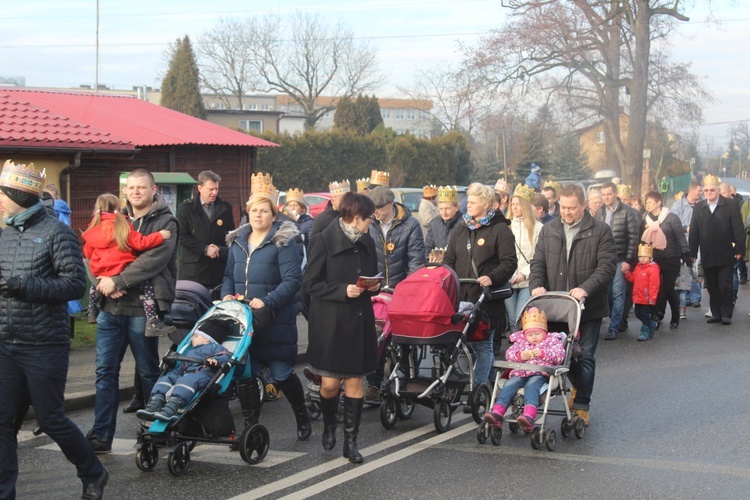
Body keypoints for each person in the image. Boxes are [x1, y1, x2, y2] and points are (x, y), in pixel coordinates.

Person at [0, 161, 108, 499]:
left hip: (44, 344)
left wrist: (22, 286)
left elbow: (74, 285)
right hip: (7, 343)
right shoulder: (4, 234)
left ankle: (92, 472)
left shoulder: (56, 232)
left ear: (15, 194)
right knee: (2, 423)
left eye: (1, 194)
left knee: (50, 419)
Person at [88, 168, 179, 454]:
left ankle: (155, 429)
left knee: (148, 371)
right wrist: (103, 283)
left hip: (143, 310)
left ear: (154, 190)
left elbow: (152, 260)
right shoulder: (112, 219)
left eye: (142, 187)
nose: (136, 192)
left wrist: (118, 279)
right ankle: (102, 434)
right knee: (104, 373)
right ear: (126, 191)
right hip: (110, 309)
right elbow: (90, 253)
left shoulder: (167, 222)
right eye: (132, 187)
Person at [221, 173, 311, 440]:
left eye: (264, 211)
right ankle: (251, 428)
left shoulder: (283, 241)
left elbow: (294, 280)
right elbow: (228, 275)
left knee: (281, 373)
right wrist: (227, 294)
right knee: (245, 374)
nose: (258, 215)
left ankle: (301, 413)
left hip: (273, 319)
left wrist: (268, 300)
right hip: (243, 320)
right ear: (247, 212)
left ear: (274, 215)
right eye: (254, 210)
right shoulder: (237, 241)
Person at [529, 184, 616, 426]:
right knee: (558, 355)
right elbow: (538, 262)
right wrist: (536, 285)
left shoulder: (600, 231)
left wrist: (585, 288)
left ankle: (581, 404)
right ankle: (540, 397)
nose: (567, 212)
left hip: (587, 306)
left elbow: (607, 267)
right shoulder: (549, 230)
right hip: (556, 306)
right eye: (563, 207)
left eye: (572, 208)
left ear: (584, 205)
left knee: (584, 355)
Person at [303, 192, 380, 464]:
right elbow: (309, 284)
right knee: (329, 385)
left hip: (359, 320)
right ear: (357, 218)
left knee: (355, 381)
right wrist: (341, 290)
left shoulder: (368, 240)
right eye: (370, 217)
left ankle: (351, 442)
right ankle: (328, 425)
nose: (373, 221)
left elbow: (373, 272)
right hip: (330, 322)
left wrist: (374, 286)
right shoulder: (322, 240)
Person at [443, 183, 517, 386]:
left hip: (487, 299)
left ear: (486, 204)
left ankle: (478, 389)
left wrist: (492, 277)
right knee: (465, 345)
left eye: (473, 201)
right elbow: (449, 258)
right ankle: (490, 383)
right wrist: (447, 277)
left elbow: (510, 262)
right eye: (468, 200)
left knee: (483, 346)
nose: (468, 205)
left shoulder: (500, 229)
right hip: (462, 297)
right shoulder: (461, 228)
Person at [83, 193, 175, 337]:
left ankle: (91, 310)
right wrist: (160, 236)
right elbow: (140, 243)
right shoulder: (122, 225)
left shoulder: (93, 228)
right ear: (119, 208)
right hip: (120, 267)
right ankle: (152, 320)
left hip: (101, 270)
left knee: (95, 286)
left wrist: (103, 269)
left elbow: (87, 252)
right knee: (148, 287)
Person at [364, 185, 425, 400]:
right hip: (377, 291)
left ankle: (410, 379)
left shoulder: (411, 225)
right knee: (376, 334)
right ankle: (373, 382)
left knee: (405, 339)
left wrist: (407, 291)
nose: (375, 212)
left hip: (402, 291)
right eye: (373, 208)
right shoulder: (370, 224)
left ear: (391, 204)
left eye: (379, 207)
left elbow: (417, 262)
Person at [483, 307, 565, 432]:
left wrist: (543, 353)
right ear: (525, 334)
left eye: (538, 334)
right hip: (520, 372)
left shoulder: (552, 341)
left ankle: (529, 415)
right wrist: (519, 356)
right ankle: (497, 412)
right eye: (530, 335)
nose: (534, 337)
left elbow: (559, 355)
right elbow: (509, 354)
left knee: (531, 385)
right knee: (510, 383)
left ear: (545, 332)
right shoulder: (521, 342)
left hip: (540, 373)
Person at [137, 319, 232, 422]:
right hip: (185, 373)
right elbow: (182, 365)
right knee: (167, 378)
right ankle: (156, 402)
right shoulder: (191, 349)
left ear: (207, 339)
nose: (192, 339)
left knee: (187, 381)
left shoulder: (215, 348)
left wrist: (215, 360)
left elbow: (226, 356)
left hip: (202, 373)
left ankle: (172, 407)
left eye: (196, 336)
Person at [689, 175, 745, 325]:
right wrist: (692, 252)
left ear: (718, 190)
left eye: (712, 190)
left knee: (725, 286)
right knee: (712, 287)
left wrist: (740, 248)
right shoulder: (699, 207)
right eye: (706, 190)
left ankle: (726, 313)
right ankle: (716, 313)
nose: (709, 192)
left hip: (726, 253)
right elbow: (694, 231)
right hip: (708, 253)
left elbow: (738, 228)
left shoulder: (730, 205)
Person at [640, 191, 690, 330]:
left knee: (668, 288)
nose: (647, 205)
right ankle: (657, 315)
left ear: (658, 202)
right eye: (646, 202)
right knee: (656, 288)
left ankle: (675, 315)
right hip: (654, 258)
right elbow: (642, 240)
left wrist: (685, 253)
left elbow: (680, 236)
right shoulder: (645, 219)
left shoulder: (671, 218)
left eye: (650, 202)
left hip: (671, 257)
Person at [177, 170, 235, 290]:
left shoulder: (225, 208)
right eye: (211, 189)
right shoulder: (186, 209)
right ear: (200, 188)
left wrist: (221, 250)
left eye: (216, 189)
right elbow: (182, 237)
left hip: (217, 269)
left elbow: (231, 236)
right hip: (194, 271)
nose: (214, 193)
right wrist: (205, 249)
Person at [596, 182, 639, 340]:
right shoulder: (600, 212)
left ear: (615, 194)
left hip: (621, 259)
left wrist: (629, 260)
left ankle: (614, 327)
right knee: (606, 295)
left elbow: (633, 237)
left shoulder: (628, 212)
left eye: (609, 194)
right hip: (604, 260)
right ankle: (616, 319)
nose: (606, 197)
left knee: (617, 293)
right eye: (604, 194)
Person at [505, 185, 543, 332]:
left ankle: (522, 346)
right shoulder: (505, 226)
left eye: (518, 204)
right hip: (509, 278)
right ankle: (518, 348)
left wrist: (524, 273)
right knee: (512, 317)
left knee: (522, 315)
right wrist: (510, 273)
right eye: (512, 204)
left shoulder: (538, 227)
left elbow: (538, 254)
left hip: (528, 279)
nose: (514, 207)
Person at [671, 181, 703, 307]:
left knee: (695, 267)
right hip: (684, 240)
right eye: (699, 190)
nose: (701, 193)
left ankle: (695, 296)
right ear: (692, 190)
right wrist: (685, 228)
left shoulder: (702, 204)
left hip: (699, 240)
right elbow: (673, 221)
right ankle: (688, 295)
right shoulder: (679, 205)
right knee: (686, 268)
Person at [623, 244, 661, 341]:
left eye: (645, 257)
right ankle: (651, 324)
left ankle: (645, 331)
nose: (642, 259)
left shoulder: (653, 269)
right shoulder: (638, 267)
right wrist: (627, 274)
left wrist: (652, 298)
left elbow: (654, 285)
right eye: (640, 257)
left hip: (646, 298)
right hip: (638, 297)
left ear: (650, 257)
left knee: (644, 314)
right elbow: (634, 279)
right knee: (638, 314)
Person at [424, 185, 463, 260]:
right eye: (441, 209)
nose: (444, 212)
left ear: (456, 208)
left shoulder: (464, 223)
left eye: (447, 208)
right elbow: (428, 247)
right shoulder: (434, 223)